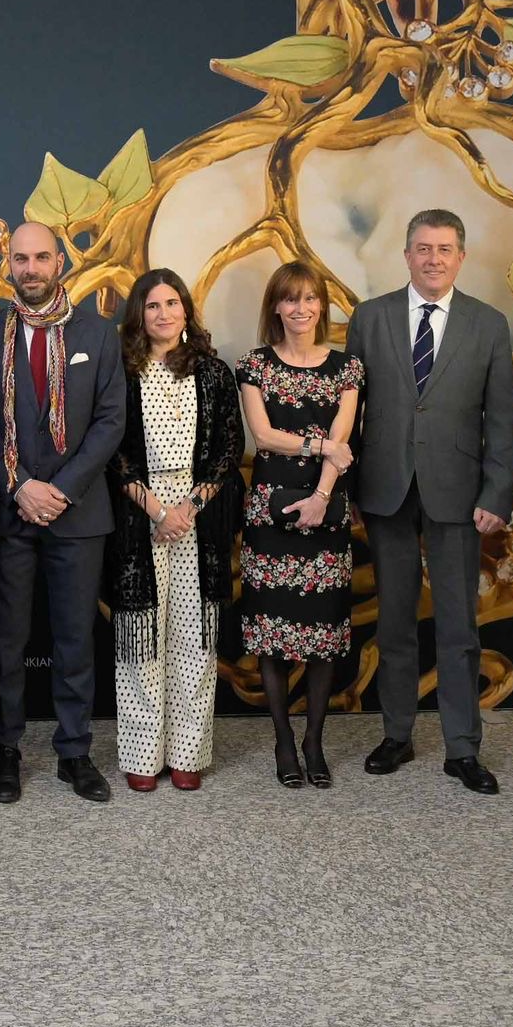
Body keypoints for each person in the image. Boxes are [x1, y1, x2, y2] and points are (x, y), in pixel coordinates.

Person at [345, 208, 513, 794]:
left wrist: (498, 493)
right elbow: (350, 413)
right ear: (406, 255)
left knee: (458, 626)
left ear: (461, 257)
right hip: (386, 490)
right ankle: (396, 734)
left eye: (444, 249)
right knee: (394, 621)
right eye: (423, 248)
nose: (433, 259)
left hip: (460, 495)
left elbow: (502, 419)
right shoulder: (369, 318)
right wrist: (347, 489)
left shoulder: (488, 324)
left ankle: (462, 748)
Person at [0, 221, 126, 805]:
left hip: (78, 515)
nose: (30, 269)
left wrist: (62, 489)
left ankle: (74, 752)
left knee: (76, 638)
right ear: (9, 264)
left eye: (41, 258)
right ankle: (4, 751)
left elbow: (110, 421)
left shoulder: (99, 334)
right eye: (20, 259)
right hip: (10, 514)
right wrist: (21, 486)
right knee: (6, 641)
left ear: (60, 263)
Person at [106, 269, 243, 792]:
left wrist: (187, 508)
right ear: (138, 315)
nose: (163, 313)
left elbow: (228, 449)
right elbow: (114, 451)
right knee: (141, 639)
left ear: (186, 309)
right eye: (152, 305)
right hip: (140, 512)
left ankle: (188, 752)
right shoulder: (121, 370)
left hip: (197, 515)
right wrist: (157, 511)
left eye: (171, 303)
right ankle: (143, 755)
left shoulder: (213, 372)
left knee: (193, 639)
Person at [235, 261, 363, 789]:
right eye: (290, 299)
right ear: (276, 306)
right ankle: (283, 740)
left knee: (322, 632)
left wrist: (321, 497)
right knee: (272, 633)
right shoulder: (254, 365)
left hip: (326, 514)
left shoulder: (347, 368)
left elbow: (344, 442)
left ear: (321, 306)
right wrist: (320, 446)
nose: (301, 308)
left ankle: (314, 741)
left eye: (310, 298)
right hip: (269, 515)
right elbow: (263, 436)